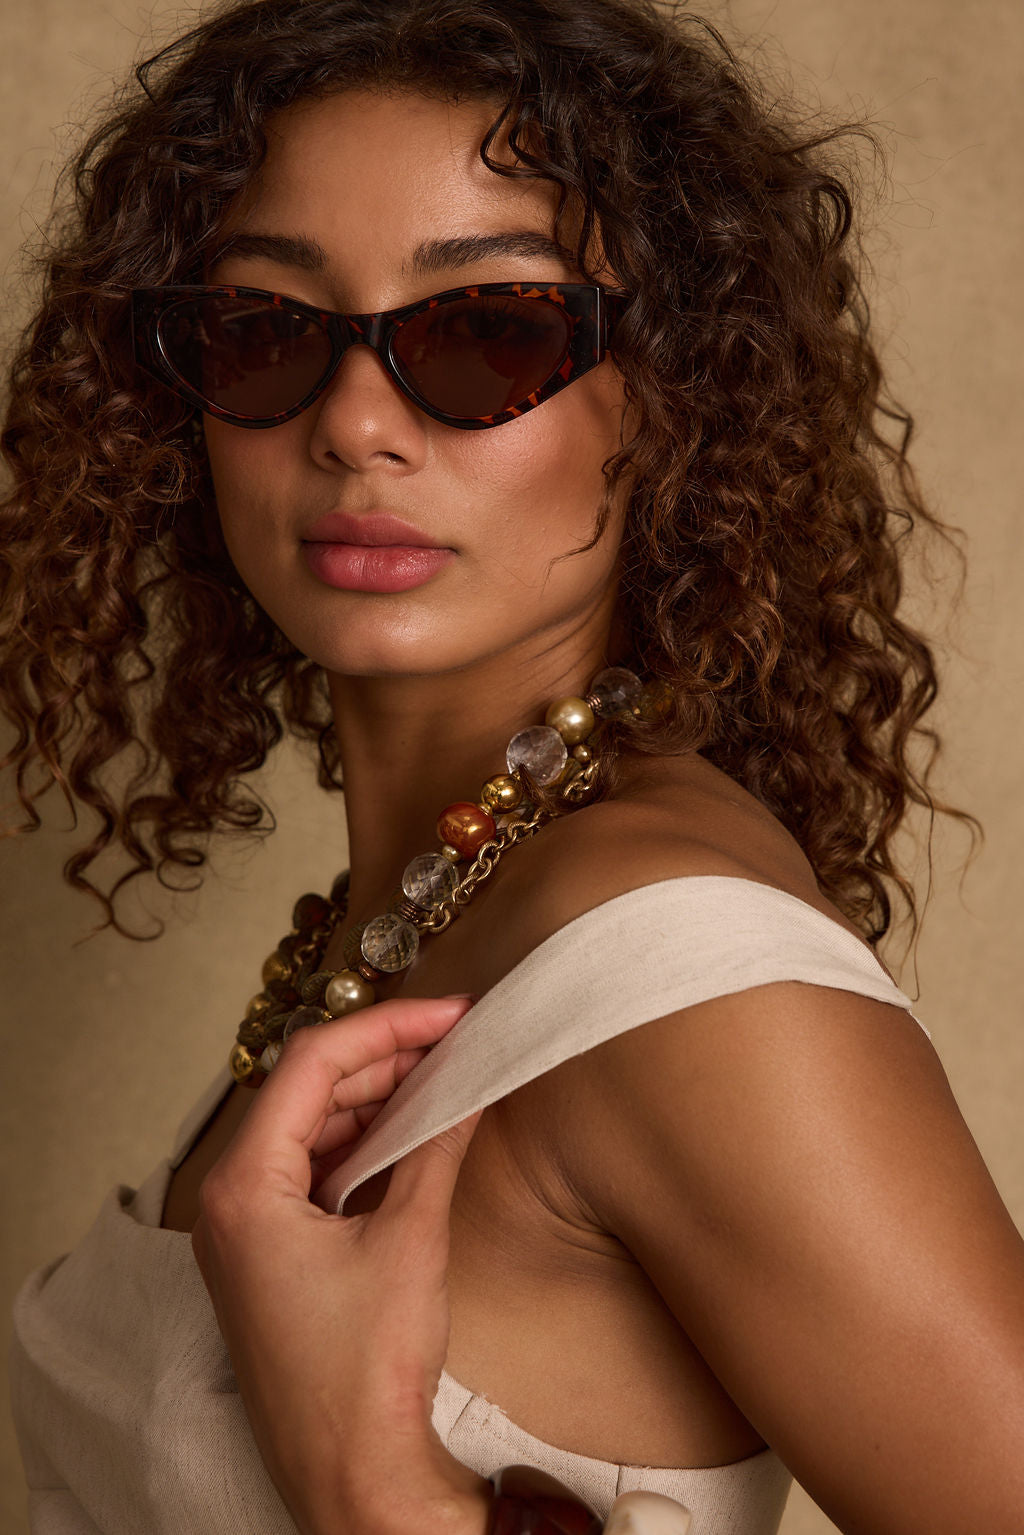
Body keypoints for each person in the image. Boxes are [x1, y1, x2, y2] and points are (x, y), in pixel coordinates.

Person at [4, 1, 1024, 1532]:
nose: (356, 425)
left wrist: (386, 1496)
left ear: (673, 393)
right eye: (265, 327)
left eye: (489, 330)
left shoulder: (689, 988)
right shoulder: (416, 909)